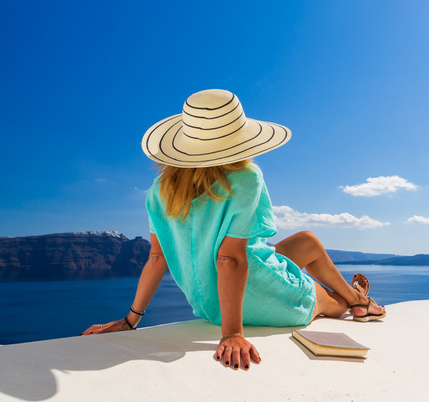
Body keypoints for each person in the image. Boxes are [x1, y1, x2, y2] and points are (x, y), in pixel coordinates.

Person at [81, 89, 386, 370]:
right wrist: (232, 334)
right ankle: (355, 300)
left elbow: (157, 258)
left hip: (213, 306)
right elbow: (230, 259)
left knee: (306, 241)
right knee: (325, 298)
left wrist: (130, 320)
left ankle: (356, 296)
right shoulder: (244, 178)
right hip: (254, 303)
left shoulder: (158, 191)